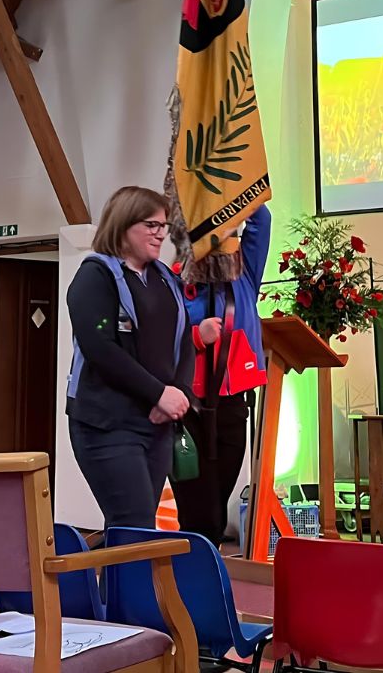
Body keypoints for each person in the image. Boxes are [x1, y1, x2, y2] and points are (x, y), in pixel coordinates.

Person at [66, 186, 194, 530]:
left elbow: (184, 337)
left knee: (137, 526)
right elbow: (101, 348)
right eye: (151, 225)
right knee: (131, 521)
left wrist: (179, 391)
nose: (160, 234)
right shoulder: (96, 275)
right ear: (123, 225)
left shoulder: (165, 278)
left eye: (163, 225)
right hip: (107, 424)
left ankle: (124, 586)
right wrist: (157, 393)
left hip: (155, 424)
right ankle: (125, 586)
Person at [172, 204, 271, 546]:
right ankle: (194, 578)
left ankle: (203, 570)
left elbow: (261, 220)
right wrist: (198, 336)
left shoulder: (244, 274)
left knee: (217, 501)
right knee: (197, 510)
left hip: (231, 404)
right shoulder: (173, 278)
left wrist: (233, 195)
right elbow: (157, 340)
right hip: (188, 407)